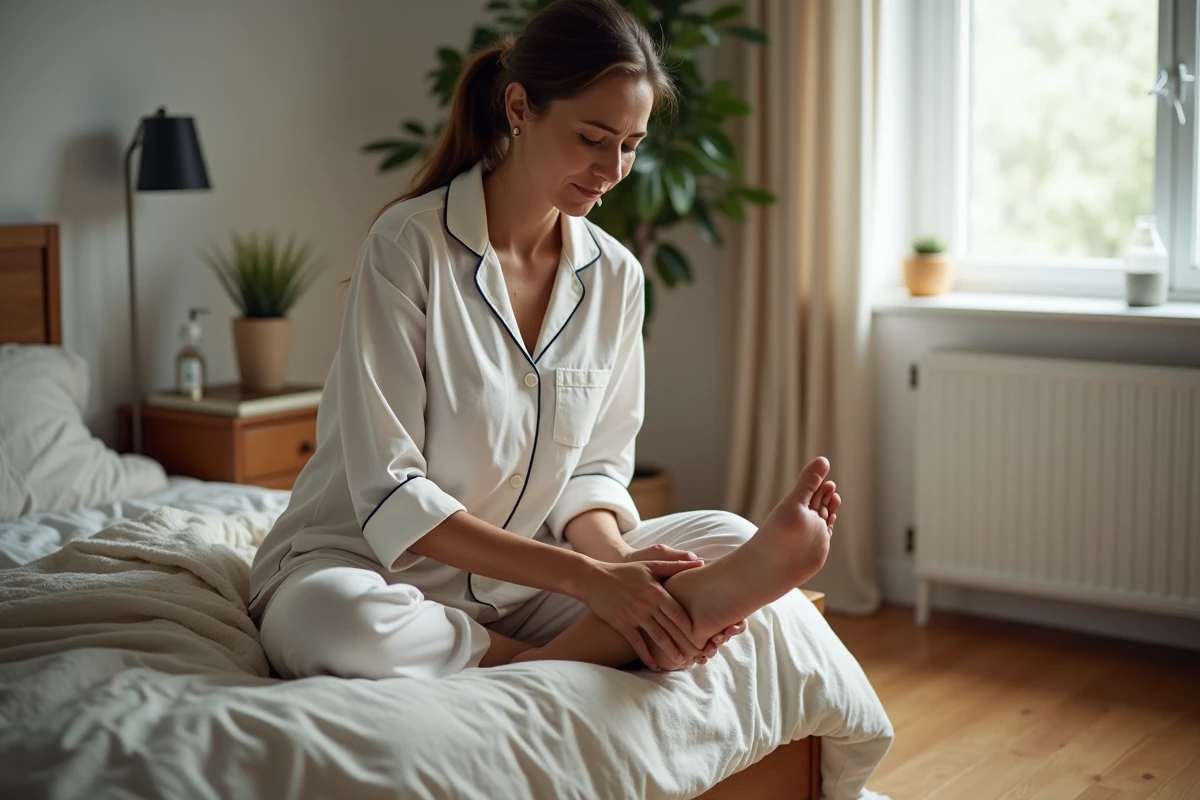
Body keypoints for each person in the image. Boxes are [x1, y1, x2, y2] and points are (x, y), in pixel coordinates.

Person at [248, 0, 840, 682]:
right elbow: (392, 492)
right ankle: (547, 663)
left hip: (528, 587)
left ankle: (589, 635)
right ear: (521, 108)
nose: (614, 168)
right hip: (371, 567)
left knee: (725, 538)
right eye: (592, 137)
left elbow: (591, 472)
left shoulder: (616, 275)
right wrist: (592, 583)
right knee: (333, 622)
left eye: (631, 144)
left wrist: (619, 569)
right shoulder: (409, 248)